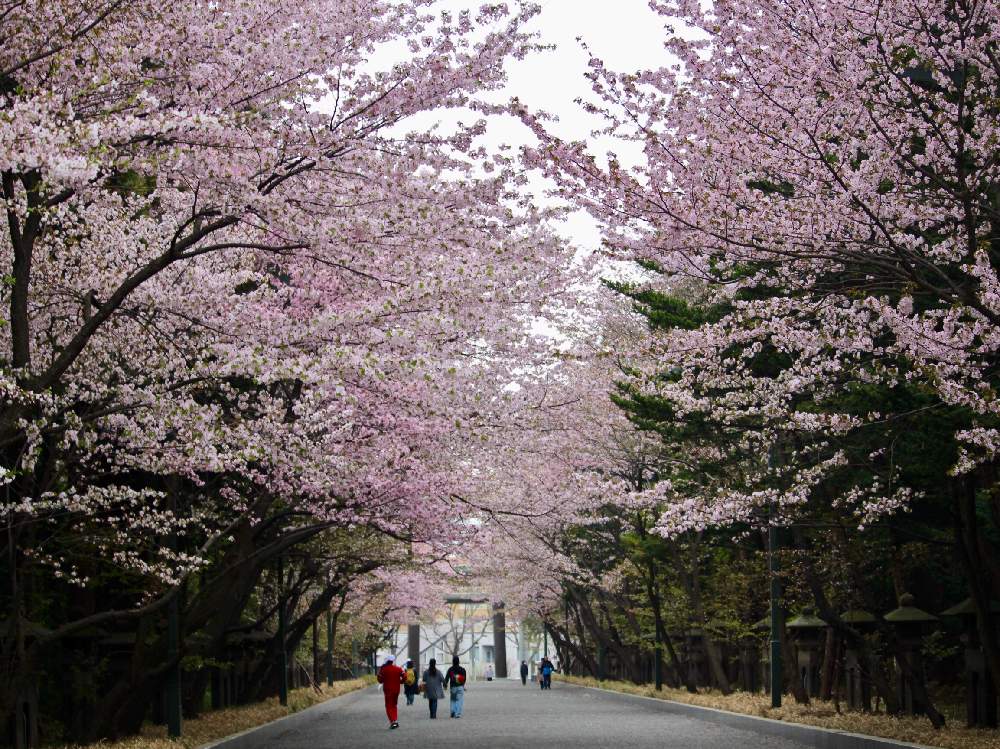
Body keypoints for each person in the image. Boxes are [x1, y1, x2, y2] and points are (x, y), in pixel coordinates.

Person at [376, 654, 404, 729]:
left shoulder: (384, 669)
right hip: (396, 690)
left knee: (388, 706)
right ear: (392, 661)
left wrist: (379, 675)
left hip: (388, 690)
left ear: (387, 661)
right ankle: (395, 719)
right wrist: (401, 681)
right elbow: (405, 676)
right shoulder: (398, 669)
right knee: (394, 705)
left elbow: (380, 680)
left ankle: (393, 722)